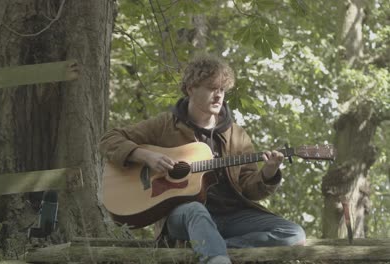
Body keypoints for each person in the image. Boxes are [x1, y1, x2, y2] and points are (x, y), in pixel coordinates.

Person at [99, 54, 306, 264]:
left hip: (233, 216)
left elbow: (249, 188)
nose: (218, 96)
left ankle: (212, 249)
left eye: (222, 90)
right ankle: (215, 257)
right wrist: (145, 155)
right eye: (211, 88)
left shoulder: (237, 135)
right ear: (191, 88)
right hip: (185, 216)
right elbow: (109, 139)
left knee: (293, 234)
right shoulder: (165, 125)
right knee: (196, 210)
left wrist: (268, 173)